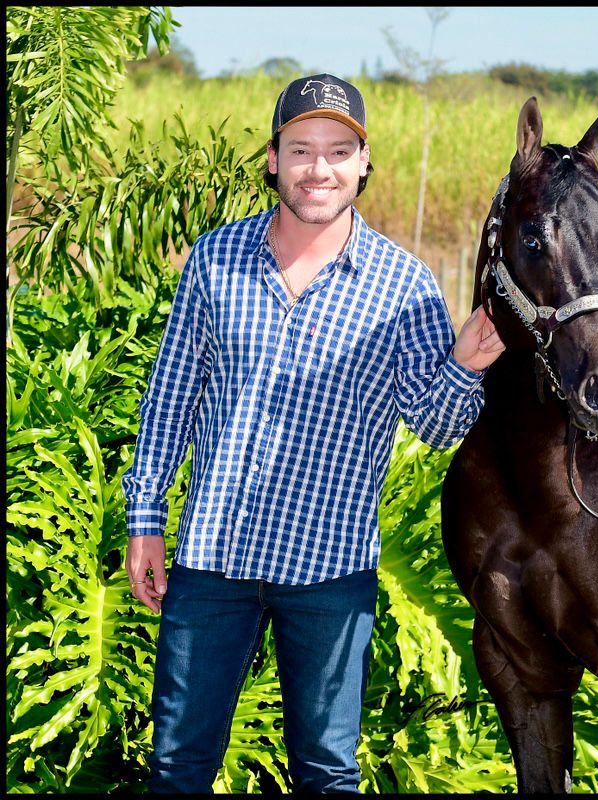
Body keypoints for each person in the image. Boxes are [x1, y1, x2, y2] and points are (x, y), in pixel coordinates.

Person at [121, 73, 504, 793]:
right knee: (176, 765)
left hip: (329, 570)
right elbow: (169, 398)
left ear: (363, 161)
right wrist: (145, 519)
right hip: (214, 558)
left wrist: (464, 364)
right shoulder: (216, 260)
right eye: (301, 149)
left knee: (327, 774)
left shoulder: (405, 285)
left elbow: (435, 423)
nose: (318, 169)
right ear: (273, 159)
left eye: (337, 150)